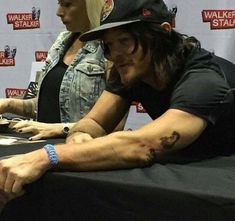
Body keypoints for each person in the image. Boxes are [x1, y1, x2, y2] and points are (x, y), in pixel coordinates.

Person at [1, 0, 235, 206]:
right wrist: (80, 138)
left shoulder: (204, 79)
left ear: (163, 33)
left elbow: (143, 145)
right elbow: (93, 122)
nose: (116, 54)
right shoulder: (133, 67)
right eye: (109, 45)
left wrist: (48, 156)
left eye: (125, 41)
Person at [0, 0, 106, 140]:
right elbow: (49, 105)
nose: (58, 12)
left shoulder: (110, 49)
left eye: (67, 4)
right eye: (59, 4)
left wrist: (61, 129)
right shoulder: (63, 40)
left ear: (91, 6)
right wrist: (8, 104)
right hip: (41, 148)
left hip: (80, 152)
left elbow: (111, 126)